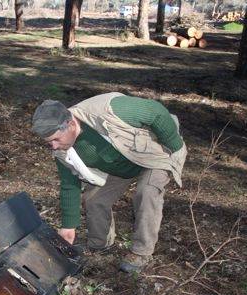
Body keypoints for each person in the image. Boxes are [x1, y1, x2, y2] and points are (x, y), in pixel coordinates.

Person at [31, 93, 187, 273]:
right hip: (120, 167)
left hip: (153, 155)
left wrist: (175, 146)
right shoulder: (63, 152)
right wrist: (68, 226)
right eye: (49, 142)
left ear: (71, 124)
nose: (54, 146)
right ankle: (100, 244)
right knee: (95, 200)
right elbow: (69, 186)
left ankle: (141, 252)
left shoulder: (109, 110)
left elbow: (155, 111)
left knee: (147, 192)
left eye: (56, 139)